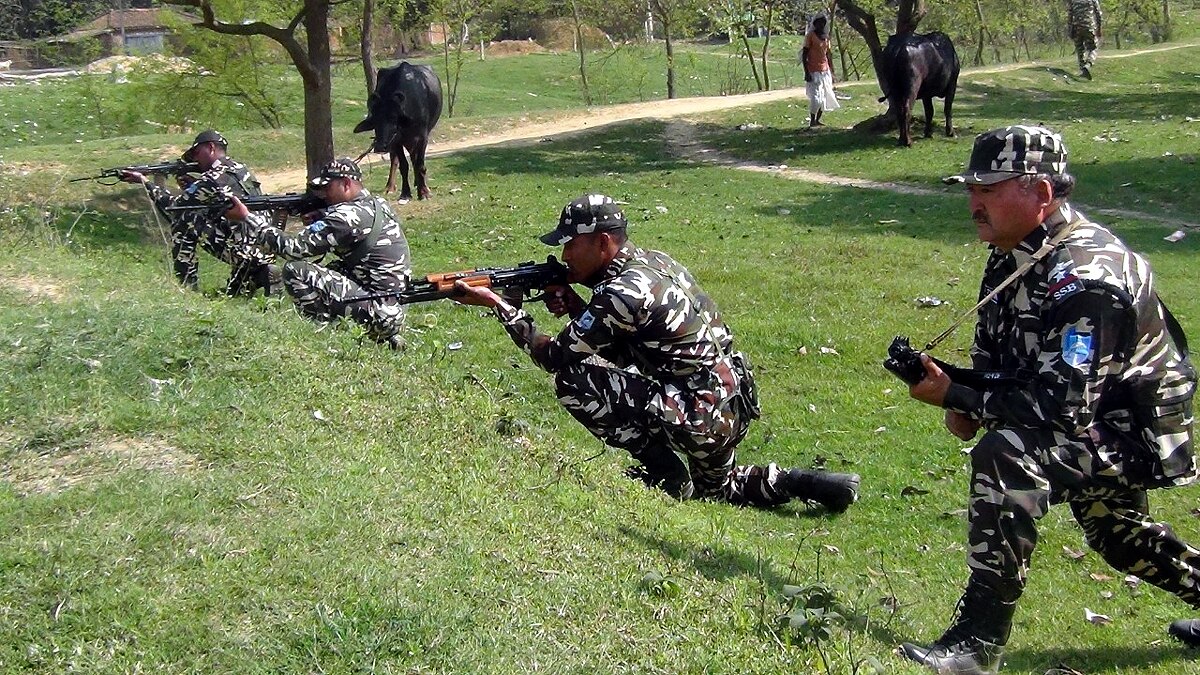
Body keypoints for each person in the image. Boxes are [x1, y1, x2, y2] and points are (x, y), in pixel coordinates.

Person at [897, 125, 1200, 674]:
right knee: (1119, 534)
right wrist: (962, 396)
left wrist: (961, 395)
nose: (973, 203)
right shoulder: (1013, 252)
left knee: (1007, 455)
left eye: (989, 189)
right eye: (971, 189)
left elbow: (1063, 411)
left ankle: (976, 643)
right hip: (1088, 418)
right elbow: (1001, 359)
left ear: (1040, 194)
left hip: (1131, 432)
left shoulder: (1086, 280)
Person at [450, 193, 860, 511]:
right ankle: (805, 482)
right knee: (717, 490)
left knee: (573, 379)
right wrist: (579, 307)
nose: (565, 255)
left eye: (572, 245)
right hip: (730, 405)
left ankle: (664, 469)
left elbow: (554, 356)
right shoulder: (656, 263)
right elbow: (638, 343)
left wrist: (502, 307)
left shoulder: (622, 292)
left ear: (603, 242)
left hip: (697, 413)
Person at [228, 158, 410, 350]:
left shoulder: (344, 217)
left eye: (327, 188)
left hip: (378, 311)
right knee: (334, 269)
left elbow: (293, 249)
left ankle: (323, 332)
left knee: (295, 270)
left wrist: (247, 218)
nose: (323, 195)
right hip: (393, 309)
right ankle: (384, 334)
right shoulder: (379, 204)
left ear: (346, 184)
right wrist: (322, 215)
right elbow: (356, 228)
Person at [120, 129, 280, 296]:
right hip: (266, 247)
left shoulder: (212, 178)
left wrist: (145, 182)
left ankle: (187, 287)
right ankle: (259, 274)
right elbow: (222, 203)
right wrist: (193, 187)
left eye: (196, 153)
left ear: (211, 147)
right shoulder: (241, 170)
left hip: (243, 251)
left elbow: (174, 207)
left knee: (186, 218)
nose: (195, 159)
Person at [801, 15, 839, 128]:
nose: (820, 26)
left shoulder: (826, 37)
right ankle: (812, 120)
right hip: (813, 70)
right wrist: (806, 72)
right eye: (818, 23)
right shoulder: (810, 36)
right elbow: (804, 54)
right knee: (816, 97)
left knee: (825, 96)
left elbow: (828, 54)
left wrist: (832, 71)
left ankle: (817, 120)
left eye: (823, 23)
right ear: (815, 24)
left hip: (825, 70)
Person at [1068, 0, 1103, 80]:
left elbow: (1070, 15)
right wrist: (1099, 28)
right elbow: (1098, 13)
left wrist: (1070, 29)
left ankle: (1083, 69)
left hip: (1077, 27)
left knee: (1080, 48)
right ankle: (1088, 64)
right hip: (1089, 26)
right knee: (1093, 48)